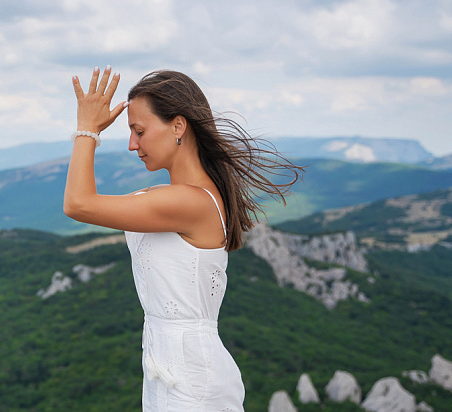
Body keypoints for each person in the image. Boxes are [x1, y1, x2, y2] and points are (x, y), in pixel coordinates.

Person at [63, 67, 303, 411]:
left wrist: (87, 130)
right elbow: (88, 203)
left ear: (178, 126)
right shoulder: (175, 197)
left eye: (139, 131)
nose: (133, 144)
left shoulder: (191, 203)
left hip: (193, 382)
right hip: (166, 370)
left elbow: (78, 203)